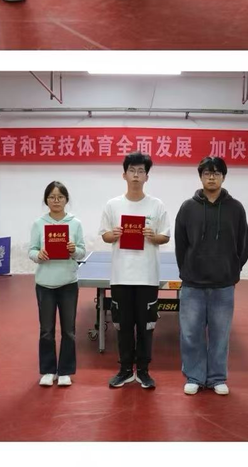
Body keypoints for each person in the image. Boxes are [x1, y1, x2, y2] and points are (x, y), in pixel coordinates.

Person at [174, 156, 248, 396]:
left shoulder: (235, 208)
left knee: (220, 335)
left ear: (223, 177)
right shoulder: (187, 208)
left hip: (223, 285)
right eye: (207, 173)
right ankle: (194, 376)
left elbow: (244, 245)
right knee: (190, 334)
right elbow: (180, 245)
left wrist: (232, 271)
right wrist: (188, 270)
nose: (211, 177)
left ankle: (217, 377)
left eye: (216, 173)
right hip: (192, 284)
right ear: (200, 177)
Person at [98, 151, 171, 389]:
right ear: (124, 175)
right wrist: (113, 234)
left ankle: (144, 371)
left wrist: (153, 236)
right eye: (132, 170)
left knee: (147, 327)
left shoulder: (157, 205)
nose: (136, 175)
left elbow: (165, 236)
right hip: (121, 276)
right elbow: (105, 235)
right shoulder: (113, 205)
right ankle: (125, 370)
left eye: (141, 171)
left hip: (148, 277)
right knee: (123, 326)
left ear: (147, 176)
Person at [28, 180, 86, 387]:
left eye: (60, 197)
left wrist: (73, 250)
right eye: (52, 197)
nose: (56, 200)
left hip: (68, 283)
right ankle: (48, 370)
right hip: (45, 284)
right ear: (46, 200)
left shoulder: (75, 223)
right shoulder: (39, 224)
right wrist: (38, 255)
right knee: (46, 330)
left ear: (66, 199)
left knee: (69, 330)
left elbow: (82, 252)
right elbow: (31, 250)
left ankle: (65, 371)